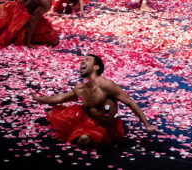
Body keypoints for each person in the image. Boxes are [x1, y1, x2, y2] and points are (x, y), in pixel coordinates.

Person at [31, 54, 159, 148]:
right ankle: (81, 130)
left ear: (96, 67)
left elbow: (130, 103)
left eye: (87, 60)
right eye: (81, 61)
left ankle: (85, 134)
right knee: (51, 115)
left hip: (107, 126)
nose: (82, 62)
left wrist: (147, 125)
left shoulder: (106, 85)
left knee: (84, 140)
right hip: (89, 120)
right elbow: (60, 98)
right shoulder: (80, 88)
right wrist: (41, 99)